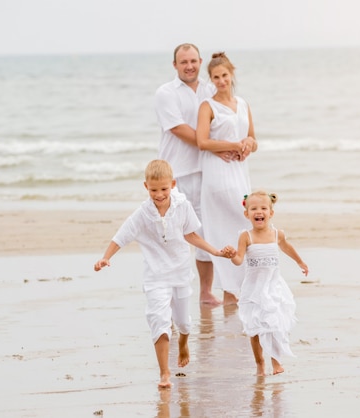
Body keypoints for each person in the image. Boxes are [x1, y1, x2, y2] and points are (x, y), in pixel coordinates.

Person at [93, 159, 234, 388]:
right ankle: (165, 373)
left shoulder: (182, 206)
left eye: (164, 189)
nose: (159, 195)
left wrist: (215, 252)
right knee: (159, 320)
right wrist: (106, 257)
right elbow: (122, 235)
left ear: (173, 185)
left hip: (179, 271)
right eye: (154, 190)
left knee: (184, 323)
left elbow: (192, 235)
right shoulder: (142, 213)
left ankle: (184, 342)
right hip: (156, 276)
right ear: (145, 187)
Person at [155, 43, 226, 306]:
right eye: (183, 62)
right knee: (173, 236)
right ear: (175, 65)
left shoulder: (210, 89)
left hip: (207, 171)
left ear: (200, 61)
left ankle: (206, 293)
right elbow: (179, 129)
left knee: (203, 233)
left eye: (194, 61)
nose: (189, 66)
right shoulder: (166, 93)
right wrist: (215, 145)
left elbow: (225, 118)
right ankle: (170, 294)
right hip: (176, 174)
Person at [196, 51, 258, 305]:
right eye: (216, 77)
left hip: (240, 171)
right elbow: (202, 142)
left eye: (224, 75)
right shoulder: (207, 106)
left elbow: (253, 139)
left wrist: (246, 146)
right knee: (228, 226)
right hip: (217, 173)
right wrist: (229, 145)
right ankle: (231, 290)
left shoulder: (243, 104)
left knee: (241, 224)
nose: (221, 81)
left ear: (232, 75)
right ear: (210, 79)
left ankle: (239, 290)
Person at [229, 191, 309, 376]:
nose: (259, 212)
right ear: (246, 214)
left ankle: (276, 362)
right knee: (254, 327)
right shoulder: (246, 236)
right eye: (254, 208)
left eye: (263, 208)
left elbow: (287, 247)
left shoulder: (276, 234)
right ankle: (259, 363)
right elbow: (239, 259)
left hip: (273, 286)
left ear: (271, 213)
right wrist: (233, 255)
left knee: (275, 324)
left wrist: (300, 262)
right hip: (253, 288)